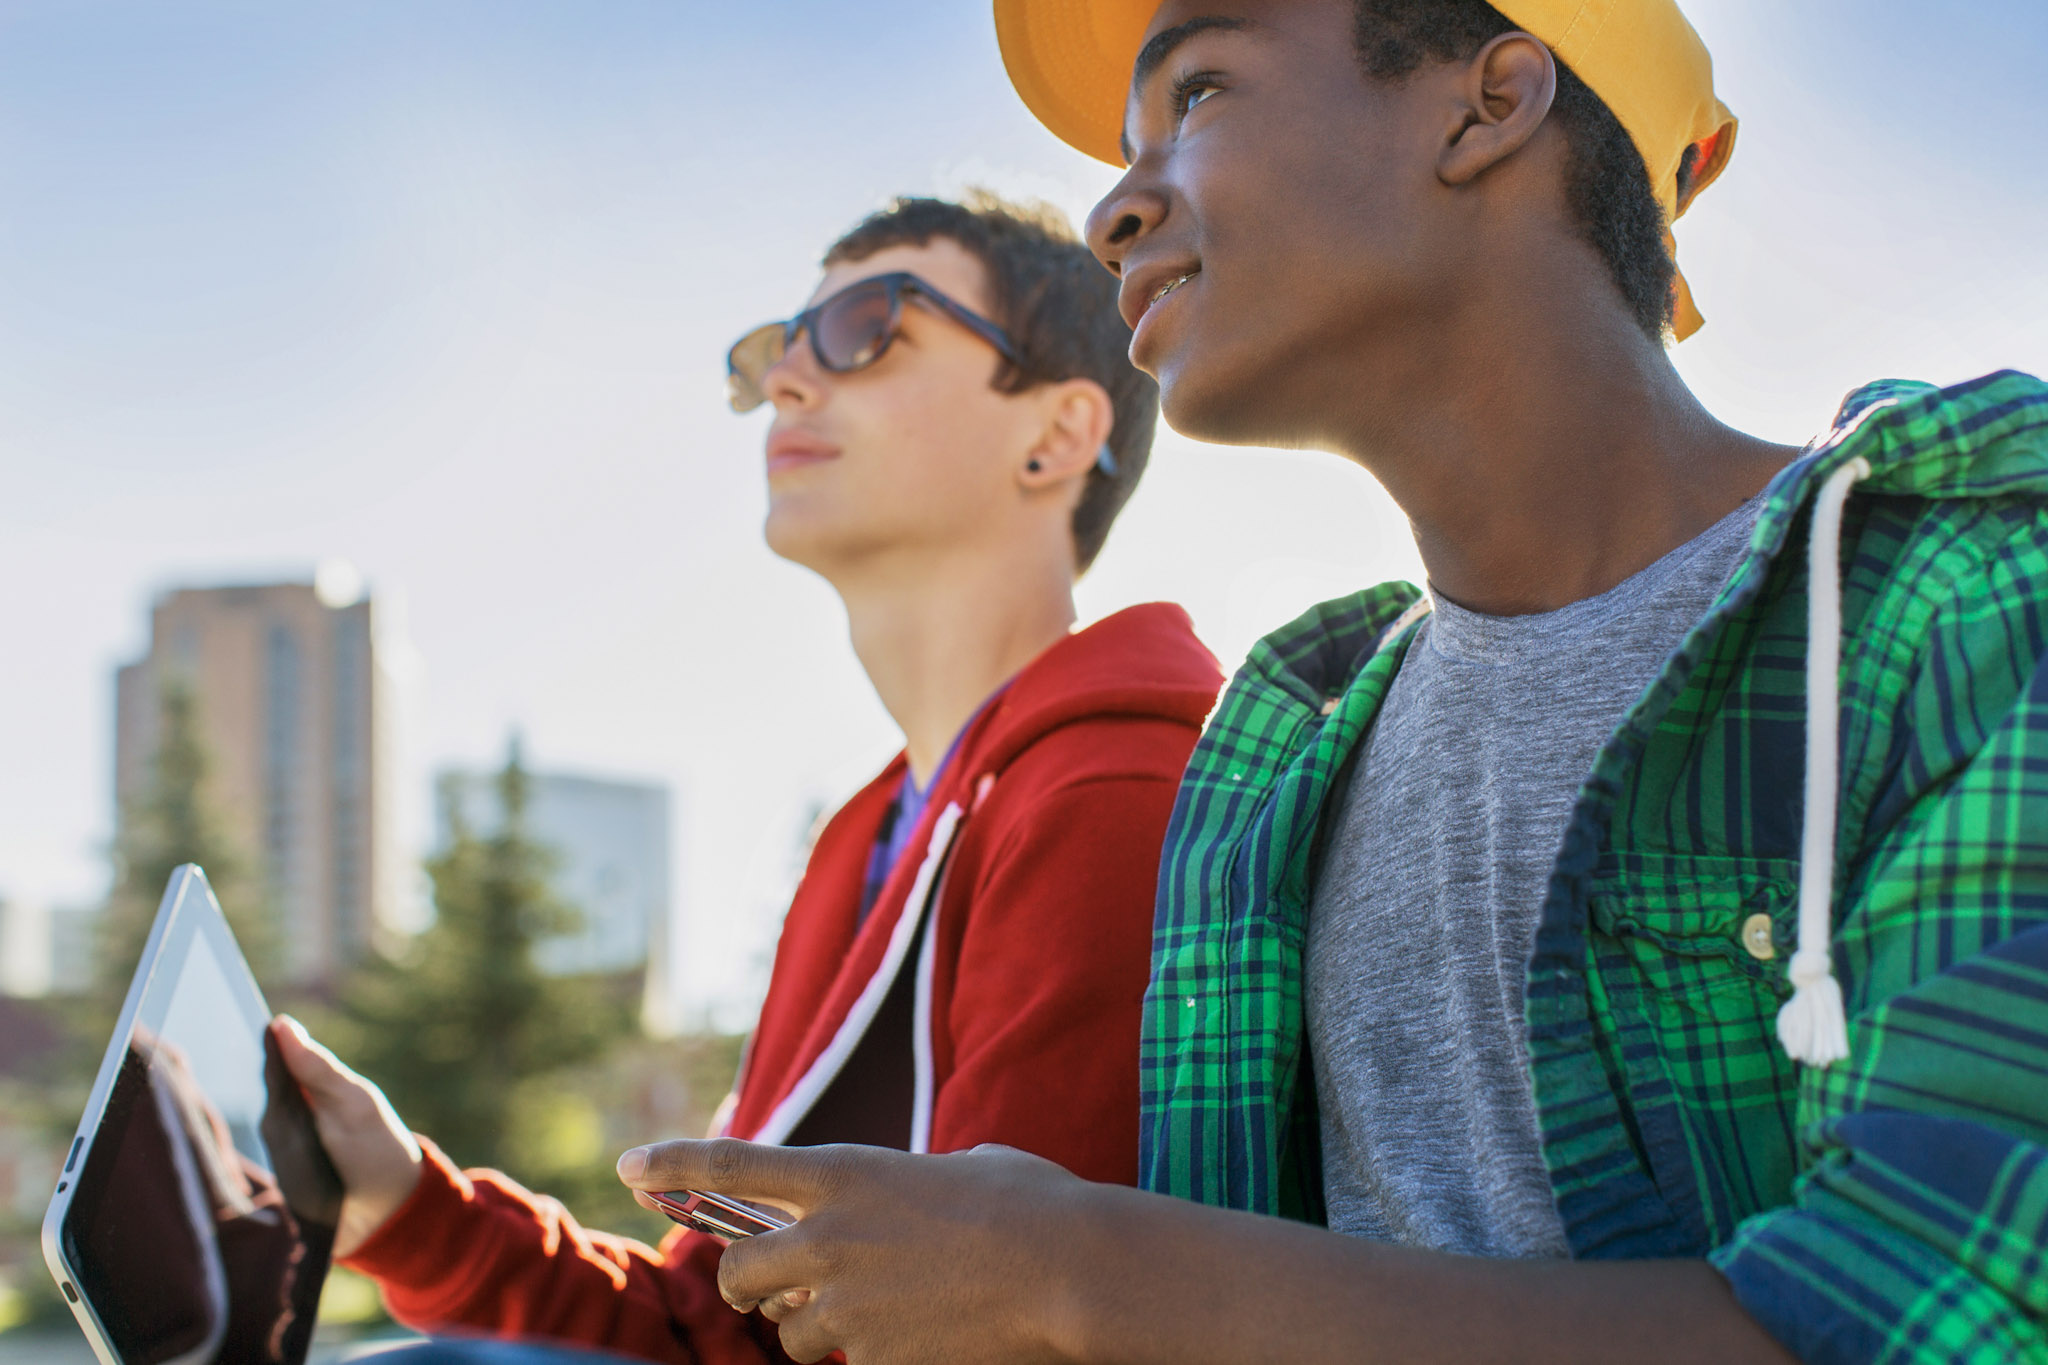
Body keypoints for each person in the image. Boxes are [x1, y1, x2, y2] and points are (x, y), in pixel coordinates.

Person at [615, 3, 2048, 1363]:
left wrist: (1076, 1274)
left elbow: (1933, 1318)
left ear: (1486, 104)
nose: (1116, 205)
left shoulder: (1964, 599)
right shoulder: (1279, 755)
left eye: (1199, 94)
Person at [274, 192, 1224, 1363]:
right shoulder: (864, 840)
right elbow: (705, 1330)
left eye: (871, 325)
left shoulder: (1110, 792)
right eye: (776, 351)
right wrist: (402, 1210)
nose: (785, 382)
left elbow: (1004, 1333)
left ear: (1057, 434)